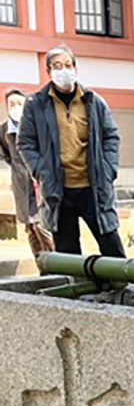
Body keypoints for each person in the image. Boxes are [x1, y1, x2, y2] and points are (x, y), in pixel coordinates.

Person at [18, 44, 125, 257]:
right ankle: (75, 288)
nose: (63, 70)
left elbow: (110, 136)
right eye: (57, 66)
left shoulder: (93, 101)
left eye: (67, 65)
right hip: (58, 189)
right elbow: (25, 142)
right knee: (68, 253)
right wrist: (41, 171)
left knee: (111, 245)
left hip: (94, 186)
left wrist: (108, 169)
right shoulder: (36, 104)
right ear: (48, 72)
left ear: (75, 68)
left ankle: (121, 287)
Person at [0, 89, 54, 261]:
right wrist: (18, 170)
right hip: (21, 185)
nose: (15, 107)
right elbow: (6, 155)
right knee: (30, 228)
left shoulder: (38, 124)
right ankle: (41, 265)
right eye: (11, 104)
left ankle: (57, 263)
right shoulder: (4, 130)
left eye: (19, 103)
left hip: (39, 182)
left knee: (42, 225)